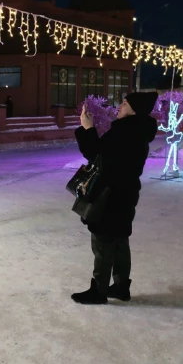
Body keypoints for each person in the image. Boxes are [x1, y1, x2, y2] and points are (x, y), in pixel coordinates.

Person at [71, 92, 159, 305]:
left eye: (125, 104)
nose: (119, 106)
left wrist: (87, 128)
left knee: (102, 240)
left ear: (135, 110)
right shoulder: (137, 131)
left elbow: (98, 154)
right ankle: (120, 286)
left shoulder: (126, 132)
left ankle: (99, 291)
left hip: (109, 195)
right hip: (125, 194)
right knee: (119, 239)